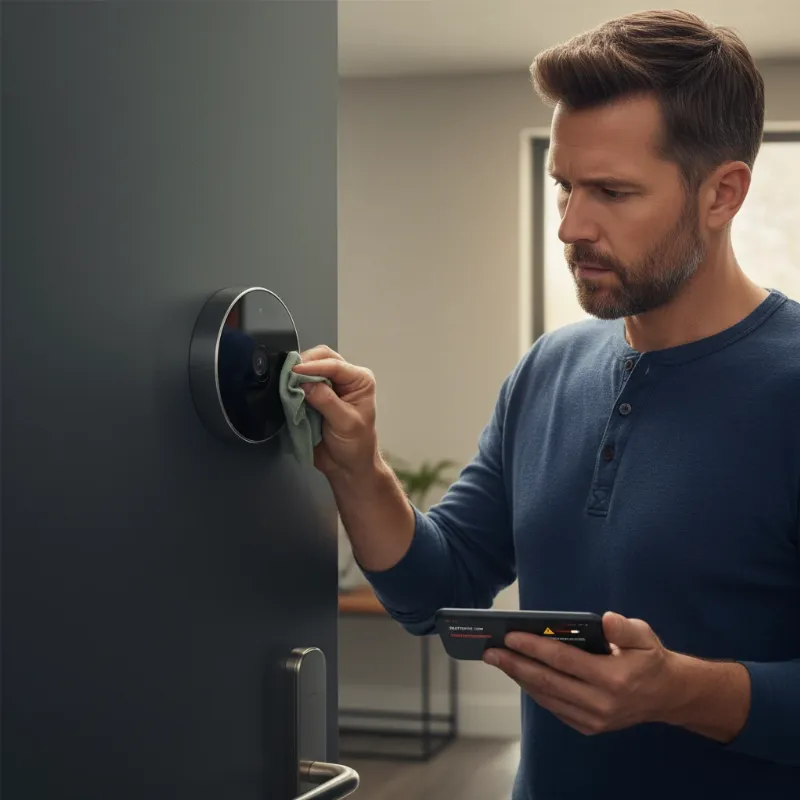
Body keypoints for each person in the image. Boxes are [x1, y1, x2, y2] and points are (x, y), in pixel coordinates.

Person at [293, 9, 800, 799]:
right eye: (564, 185)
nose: (570, 225)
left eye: (611, 192)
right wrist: (360, 469)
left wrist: (683, 691)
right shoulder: (550, 367)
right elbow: (439, 587)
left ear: (722, 193)